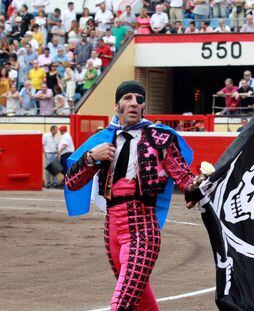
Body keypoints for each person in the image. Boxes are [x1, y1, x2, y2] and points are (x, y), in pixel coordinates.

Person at [64, 80, 199, 311]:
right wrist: (90, 157)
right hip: (112, 231)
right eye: (128, 99)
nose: (134, 103)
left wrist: (196, 185)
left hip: (143, 228)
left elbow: (183, 176)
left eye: (139, 99)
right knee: (142, 302)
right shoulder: (104, 140)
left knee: (122, 303)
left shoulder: (160, 138)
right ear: (117, 106)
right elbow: (72, 183)